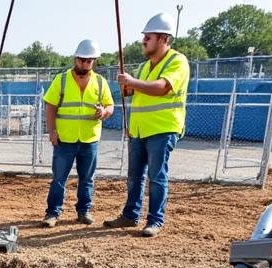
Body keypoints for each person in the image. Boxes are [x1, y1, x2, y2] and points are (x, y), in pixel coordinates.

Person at [104, 13, 189, 237]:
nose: (143, 41)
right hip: (139, 129)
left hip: (162, 128)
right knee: (134, 176)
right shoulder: (144, 67)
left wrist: (132, 82)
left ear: (163, 39)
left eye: (148, 37)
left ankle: (155, 221)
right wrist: (126, 86)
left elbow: (161, 87)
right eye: (144, 37)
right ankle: (130, 215)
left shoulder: (177, 61)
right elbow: (134, 91)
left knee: (157, 177)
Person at [41, 40, 115, 228]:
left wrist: (104, 112)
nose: (84, 64)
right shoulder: (62, 79)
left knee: (87, 179)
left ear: (94, 61)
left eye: (89, 61)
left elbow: (110, 105)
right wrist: (52, 131)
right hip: (64, 139)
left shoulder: (100, 81)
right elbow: (50, 106)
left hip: (89, 140)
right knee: (59, 179)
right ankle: (52, 213)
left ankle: (84, 211)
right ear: (75, 59)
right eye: (82, 60)